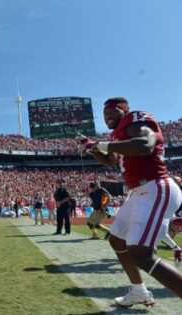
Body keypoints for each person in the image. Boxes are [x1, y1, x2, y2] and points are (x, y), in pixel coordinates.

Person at [78, 97, 182, 306]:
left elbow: (145, 144)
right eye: (104, 114)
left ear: (124, 111)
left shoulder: (135, 119)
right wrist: (93, 149)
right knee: (117, 239)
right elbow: (110, 161)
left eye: (111, 112)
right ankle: (138, 291)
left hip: (155, 187)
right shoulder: (117, 134)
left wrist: (100, 144)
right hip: (139, 192)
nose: (107, 117)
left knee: (141, 254)